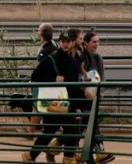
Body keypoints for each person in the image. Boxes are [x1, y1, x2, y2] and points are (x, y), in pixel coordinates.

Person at [23, 30, 83, 164]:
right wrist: (52, 80)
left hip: (66, 102)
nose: (65, 44)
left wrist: (78, 104)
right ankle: (32, 156)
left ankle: (32, 156)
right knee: (54, 130)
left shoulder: (71, 60)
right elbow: (35, 76)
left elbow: (73, 85)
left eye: (68, 42)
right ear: (59, 42)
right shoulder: (51, 59)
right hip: (54, 100)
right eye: (63, 41)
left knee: (68, 130)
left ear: (72, 43)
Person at [80, 32, 112, 164]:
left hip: (93, 95)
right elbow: (80, 77)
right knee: (91, 123)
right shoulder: (81, 57)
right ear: (86, 43)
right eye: (94, 42)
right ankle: (99, 152)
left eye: (98, 41)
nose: (96, 44)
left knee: (85, 124)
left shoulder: (98, 58)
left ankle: (57, 145)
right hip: (83, 96)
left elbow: (102, 77)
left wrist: (100, 92)